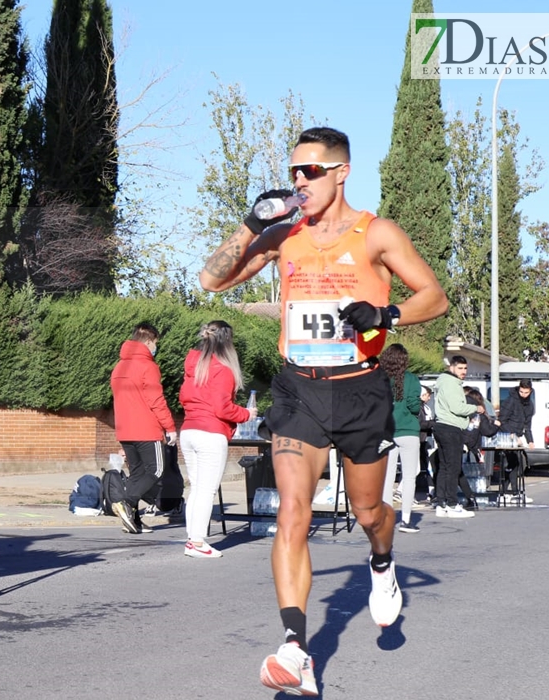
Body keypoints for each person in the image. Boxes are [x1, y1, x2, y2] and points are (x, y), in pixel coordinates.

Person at [199, 126, 448, 696]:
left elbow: (434, 296)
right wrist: (253, 224)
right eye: (293, 172)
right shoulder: (285, 235)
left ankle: (381, 563)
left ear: (342, 172)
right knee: (293, 511)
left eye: (311, 171)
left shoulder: (377, 233)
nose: (299, 181)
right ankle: (295, 647)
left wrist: (384, 316)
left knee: (368, 513)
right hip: (298, 389)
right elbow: (211, 280)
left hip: (360, 390)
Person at [177, 320, 256, 559]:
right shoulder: (223, 369)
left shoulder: (193, 367)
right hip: (211, 433)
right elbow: (223, 408)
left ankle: (192, 539)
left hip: (189, 430)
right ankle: (197, 543)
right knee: (206, 490)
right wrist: (246, 414)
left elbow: (185, 399)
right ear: (227, 342)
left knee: (196, 488)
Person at [109, 322, 177, 535]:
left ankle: (134, 521)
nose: (155, 348)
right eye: (155, 343)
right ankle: (126, 503)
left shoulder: (119, 367)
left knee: (137, 473)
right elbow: (156, 400)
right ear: (148, 342)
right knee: (155, 469)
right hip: (146, 429)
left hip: (125, 429)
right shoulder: (148, 367)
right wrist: (170, 427)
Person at [432, 356, 483, 519]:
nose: (464, 372)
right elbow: (457, 407)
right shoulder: (451, 384)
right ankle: (452, 504)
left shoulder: (443, 381)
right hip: (450, 427)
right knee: (453, 467)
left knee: (444, 467)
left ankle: (441, 504)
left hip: (441, 425)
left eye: (465, 368)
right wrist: (476, 408)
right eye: (460, 368)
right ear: (452, 367)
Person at [379, 344, 421, 534]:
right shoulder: (411, 379)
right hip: (409, 431)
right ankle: (406, 520)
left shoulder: (379, 379)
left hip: (387, 431)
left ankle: (387, 518)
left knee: (387, 478)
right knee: (409, 477)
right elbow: (414, 406)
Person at [497, 379, 536, 499]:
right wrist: (512, 434)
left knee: (515, 464)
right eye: (521, 392)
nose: (523, 395)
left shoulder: (530, 405)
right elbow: (501, 421)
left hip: (517, 436)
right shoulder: (511, 401)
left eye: (526, 393)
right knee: (512, 463)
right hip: (506, 436)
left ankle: (507, 492)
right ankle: (512, 492)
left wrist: (530, 440)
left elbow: (527, 425)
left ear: (530, 391)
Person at [418, 386, 437, 503]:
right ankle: (400, 491)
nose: (429, 398)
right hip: (419, 439)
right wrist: (433, 423)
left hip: (425, 439)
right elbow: (421, 424)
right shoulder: (419, 408)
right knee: (416, 468)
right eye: (428, 395)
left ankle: (431, 491)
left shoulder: (425, 408)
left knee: (428, 466)